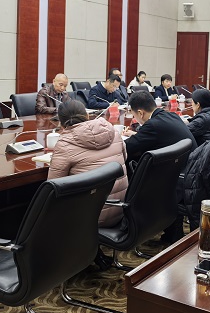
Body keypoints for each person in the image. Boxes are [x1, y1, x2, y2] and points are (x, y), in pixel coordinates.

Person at [47, 100, 128, 228]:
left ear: (61, 124)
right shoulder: (113, 130)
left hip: (88, 218)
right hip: (121, 208)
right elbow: (124, 158)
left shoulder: (64, 144)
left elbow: (52, 188)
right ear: (87, 115)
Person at [123, 91, 196, 162]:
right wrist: (136, 134)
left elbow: (126, 147)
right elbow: (158, 135)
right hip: (192, 163)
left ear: (140, 113)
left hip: (182, 167)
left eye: (134, 115)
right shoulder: (171, 115)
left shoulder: (152, 125)